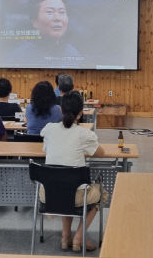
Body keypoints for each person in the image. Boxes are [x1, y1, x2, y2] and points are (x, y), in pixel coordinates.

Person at [40, 91, 108, 252]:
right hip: (76, 195)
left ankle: (65, 237)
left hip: (48, 194)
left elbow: (46, 149)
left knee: (64, 184)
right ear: (80, 113)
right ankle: (79, 237)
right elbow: (101, 153)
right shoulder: (84, 134)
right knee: (101, 193)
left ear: (61, 110)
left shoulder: (48, 129)